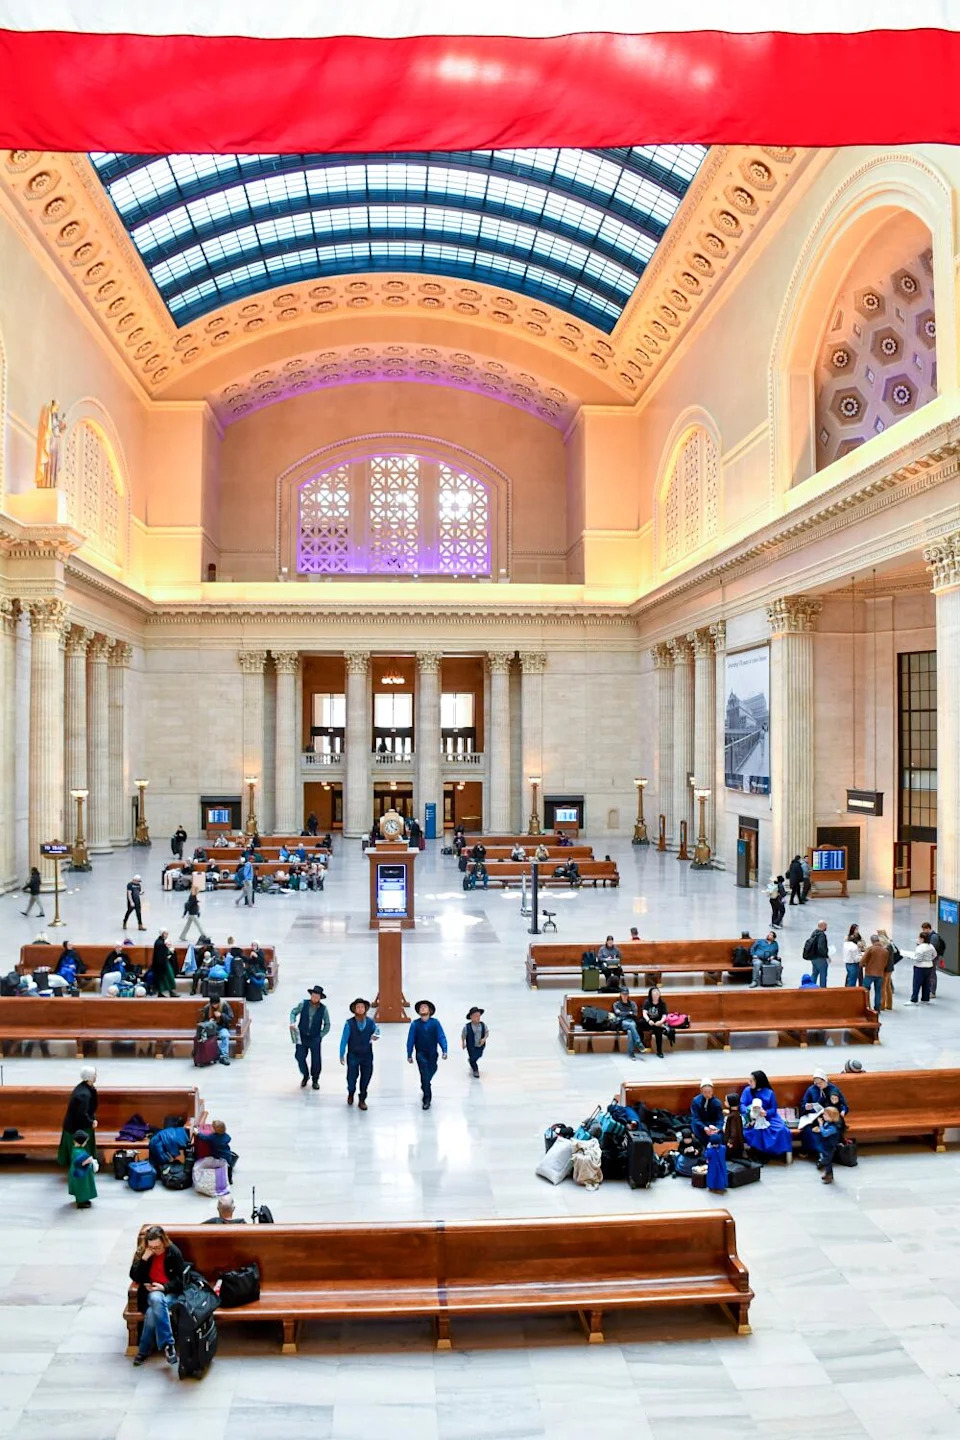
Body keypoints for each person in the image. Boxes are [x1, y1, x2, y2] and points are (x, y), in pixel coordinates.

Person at [129, 1226, 185, 1367]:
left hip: (170, 1292)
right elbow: (134, 1276)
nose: (156, 1250)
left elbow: (180, 1280)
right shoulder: (144, 1253)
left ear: (164, 1241)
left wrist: (164, 1287)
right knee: (155, 1299)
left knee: (152, 1312)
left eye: (158, 1247)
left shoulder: (173, 1252)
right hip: (150, 1292)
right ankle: (168, 1345)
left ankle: (143, 1351)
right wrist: (144, 1260)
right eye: (152, 1247)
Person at [740, 1070, 793, 1160]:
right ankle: (757, 1154)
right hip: (751, 1117)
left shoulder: (769, 1092)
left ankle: (774, 1153)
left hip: (768, 1117)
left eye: (751, 1081)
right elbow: (742, 1104)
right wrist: (749, 1112)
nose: (748, 1082)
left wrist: (766, 1113)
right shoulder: (747, 1090)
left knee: (781, 1129)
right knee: (756, 1130)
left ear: (758, 1082)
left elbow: (773, 1108)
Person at [406, 1000, 448, 1110]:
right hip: (420, 1053)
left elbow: (441, 1036)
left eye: (425, 1007)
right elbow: (411, 1039)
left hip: (433, 1053)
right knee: (424, 1073)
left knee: (431, 1070)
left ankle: (425, 1084)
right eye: (421, 1007)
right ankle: (427, 1099)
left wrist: (445, 1050)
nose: (423, 1008)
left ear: (430, 1010)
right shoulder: (415, 1024)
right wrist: (409, 1054)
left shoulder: (435, 1023)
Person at [340, 997, 380, 1108]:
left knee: (366, 1076)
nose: (360, 1009)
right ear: (354, 1009)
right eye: (358, 1007)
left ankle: (362, 1099)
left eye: (362, 1007)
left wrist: (376, 1035)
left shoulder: (371, 1022)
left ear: (365, 1008)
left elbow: (377, 1031)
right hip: (353, 1054)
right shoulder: (349, 1023)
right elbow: (344, 1039)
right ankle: (351, 1092)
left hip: (367, 1054)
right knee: (351, 1077)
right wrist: (341, 1053)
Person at [289, 985, 330, 1089]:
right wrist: (292, 1022)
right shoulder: (304, 1004)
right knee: (299, 1056)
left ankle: (315, 1079)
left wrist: (321, 1035)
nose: (315, 998)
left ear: (320, 998)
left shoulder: (323, 1009)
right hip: (302, 1035)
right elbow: (294, 1012)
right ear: (311, 995)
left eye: (317, 996)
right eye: (313, 995)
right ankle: (305, 1074)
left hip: (315, 1037)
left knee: (316, 1060)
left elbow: (327, 1024)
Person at [57, 1066, 98, 1166]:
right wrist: (91, 1122)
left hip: (75, 1124)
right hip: (77, 1128)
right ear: (90, 1077)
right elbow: (81, 1114)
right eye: (94, 1074)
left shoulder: (83, 1087)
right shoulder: (83, 1094)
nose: (96, 1076)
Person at [810, 1105, 846, 1184]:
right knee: (828, 1162)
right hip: (826, 1145)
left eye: (825, 1114)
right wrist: (819, 1129)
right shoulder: (828, 1123)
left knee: (827, 1160)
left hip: (830, 1146)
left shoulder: (834, 1127)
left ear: (831, 1116)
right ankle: (828, 1174)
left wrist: (820, 1125)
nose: (823, 1116)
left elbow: (825, 1133)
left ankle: (827, 1172)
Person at [67, 1131, 98, 1208]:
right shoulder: (78, 1152)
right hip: (80, 1173)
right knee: (82, 1187)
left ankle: (84, 1199)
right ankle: (81, 1202)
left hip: (80, 1171)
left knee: (83, 1187)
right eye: (85, 1142)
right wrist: (89, 1160)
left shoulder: (75, 1149)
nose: (86, 1143)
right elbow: (80, 1163)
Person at [611, 988, 645, 1059]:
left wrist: (624, 1013)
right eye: (623, 994)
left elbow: (635, 1014)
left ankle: (631, 1053)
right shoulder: (616, 1004)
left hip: (631, 1020)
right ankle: (639, 1043)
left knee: (630, 1031)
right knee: (631, 1026)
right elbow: (617, 1013)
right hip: (622, 1021)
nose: (625, 996)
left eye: (626, 994)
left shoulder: (632, 1003)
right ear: (620, 994)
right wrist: (629, 1013)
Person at [642, 985, 674, 1058]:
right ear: (651, 995)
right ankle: (642, 1044)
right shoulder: (647, 1002)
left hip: (658, 1022)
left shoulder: (662, 1003)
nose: (656, 995)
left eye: (657, 994)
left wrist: (661, 1022)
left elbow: (664, 1015)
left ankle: (659, 1051)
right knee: (640, 1024)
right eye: (654, 994)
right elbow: (644, 1013)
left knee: (658, 1031)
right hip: (649, 1021)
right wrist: (648, 1020)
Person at [201, 996, 235, 1066]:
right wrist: (209, 1022)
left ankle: (224, 1056)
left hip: (222, 1027)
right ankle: (209, 1055)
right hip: (211, 1028)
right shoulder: (207, 1007)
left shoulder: (225, 1005)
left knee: (225, 1035)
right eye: (213, 1004)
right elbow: (203, 1021)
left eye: (216, 1004)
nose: (214, 1006)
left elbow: (230, 1018)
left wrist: (221, 1015)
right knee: (205, 1037)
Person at [691, 1079, 724, 1149]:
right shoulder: (696, 1101)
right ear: (701, 1091)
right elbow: (696, 1117)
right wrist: (704, 1128)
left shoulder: (717, 1102)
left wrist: (717, 1128)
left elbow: (720, 1118)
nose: (707, 1094)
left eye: (709, 1092)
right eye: (705, 1092)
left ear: (712, 1091)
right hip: (701, 1125)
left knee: (718, 1138)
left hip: (713, 1125)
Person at [860, 933, 888, 1012]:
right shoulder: (885, 951)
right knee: (878, 991)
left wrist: (862, 964)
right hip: (880, 974)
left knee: (865, 990)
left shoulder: (870, 949)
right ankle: (877, 1008)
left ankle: (866, 1006)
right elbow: (885, 963)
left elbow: (863, 960)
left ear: (872, 941)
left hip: (870, 973)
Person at [919, 922, 945, 998]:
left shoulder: (933, 937)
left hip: (933, 958)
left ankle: (932, 991)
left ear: (928, 928)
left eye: (924, 929)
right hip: (930, 957)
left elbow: (932, 948)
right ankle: (929, 990)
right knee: (930, 973)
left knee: (932, 973)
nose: (923, 931)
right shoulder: (929, 936)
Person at [461, 1006, 489, 1076]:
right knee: (473, 1058)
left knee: (479, 1055)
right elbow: (463, 1035)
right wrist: (463, 1042)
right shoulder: (467, 1027)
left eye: (479, 1016)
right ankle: (475, 1070)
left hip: (480, 1045)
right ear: (471, 1017)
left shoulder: (483, 1025)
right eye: (476, 1016)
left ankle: (471, 1061)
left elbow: (486, 1032)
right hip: (471, 1046)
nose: (478, 1018)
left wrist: (484, 1039)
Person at [910, 932, 937, 1004]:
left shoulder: (920, 947)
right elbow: (935, 955)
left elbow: (918, 958)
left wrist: (911, 957)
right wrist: (929, 959)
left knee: (917, 984)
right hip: (929, 966)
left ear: (922, 939)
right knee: (926, 983)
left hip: (920, 967)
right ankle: (925, 999)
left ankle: (914, 1000)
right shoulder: (931, 946)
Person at [804, 920, 830, 987]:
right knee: (823, 976)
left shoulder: (814, 933)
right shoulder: (822, 935)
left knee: (814, 974)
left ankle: (811, 989)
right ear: (823, 926)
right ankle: (823, 990)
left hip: (813, 958)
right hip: (820, 958)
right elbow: (820, 947)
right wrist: (825, 955)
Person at [151, 931, 177, 997]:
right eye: (165, 934)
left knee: (167, 978)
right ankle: (165, 992)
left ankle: (168, 992)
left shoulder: (160, 942)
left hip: (163, 963)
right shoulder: (160, 943)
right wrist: (169, 951)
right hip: (162, 964)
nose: (167, 935)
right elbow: (162, 954)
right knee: (166, 978)